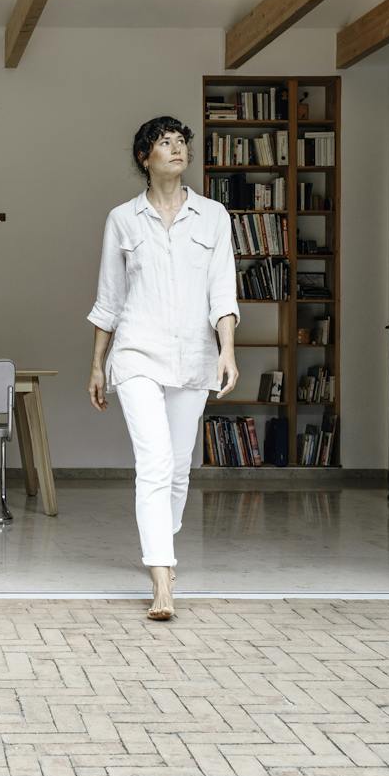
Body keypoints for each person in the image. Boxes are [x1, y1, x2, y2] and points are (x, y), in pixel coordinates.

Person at [85, 116, 240, 620]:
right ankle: (162, 581)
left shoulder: (214, 216)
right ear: (143, 159)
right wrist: (97, 364)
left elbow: (222, 289)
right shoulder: (123, 219)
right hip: (136, 356)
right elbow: (109, 299)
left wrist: (227, 350)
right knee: (153, 465)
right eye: (165, 143)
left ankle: (161, 541)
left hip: (194, 357)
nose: (177, 149)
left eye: (181, 143)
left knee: (177, 468)